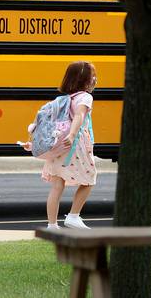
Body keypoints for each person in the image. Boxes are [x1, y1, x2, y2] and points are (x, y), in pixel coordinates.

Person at [36, 61, 98, 230]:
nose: (95, 80)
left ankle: (52, 225)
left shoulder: (62, 99)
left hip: (57, 146)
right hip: (74, 145)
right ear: (85, 80)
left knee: (57, 185)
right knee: (89, 180)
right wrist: (71, 135)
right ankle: (73, 216)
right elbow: (79, 115)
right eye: (93, 76)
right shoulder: (85, 97)